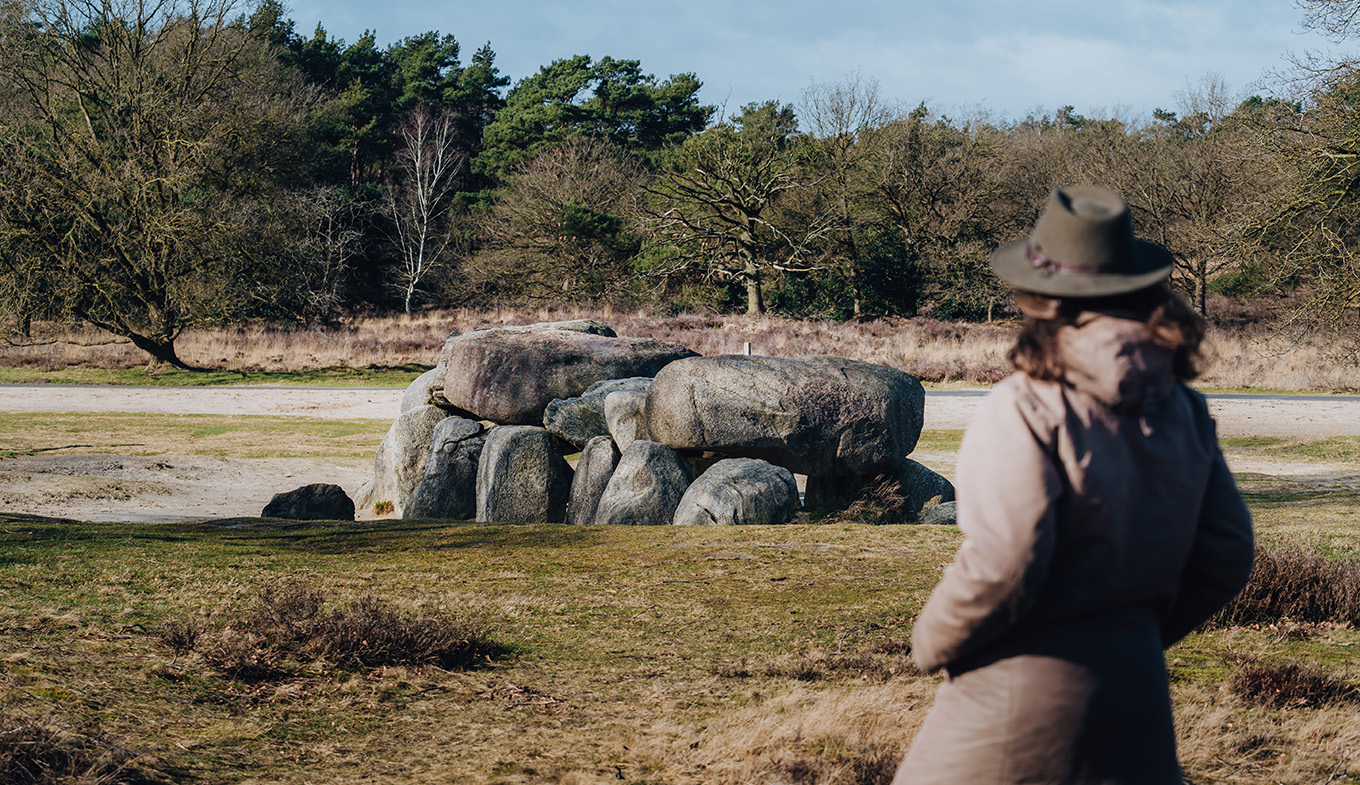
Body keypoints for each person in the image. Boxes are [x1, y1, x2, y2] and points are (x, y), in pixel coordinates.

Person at [892, 185, 1255, 785]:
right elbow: (1226, 552)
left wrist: (931, 641)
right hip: (1137, 697)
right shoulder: (1185, 409)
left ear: (1039, 295)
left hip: (1015, 692)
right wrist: (1131, 635)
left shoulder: (1025, 405)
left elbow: (1007, 559)